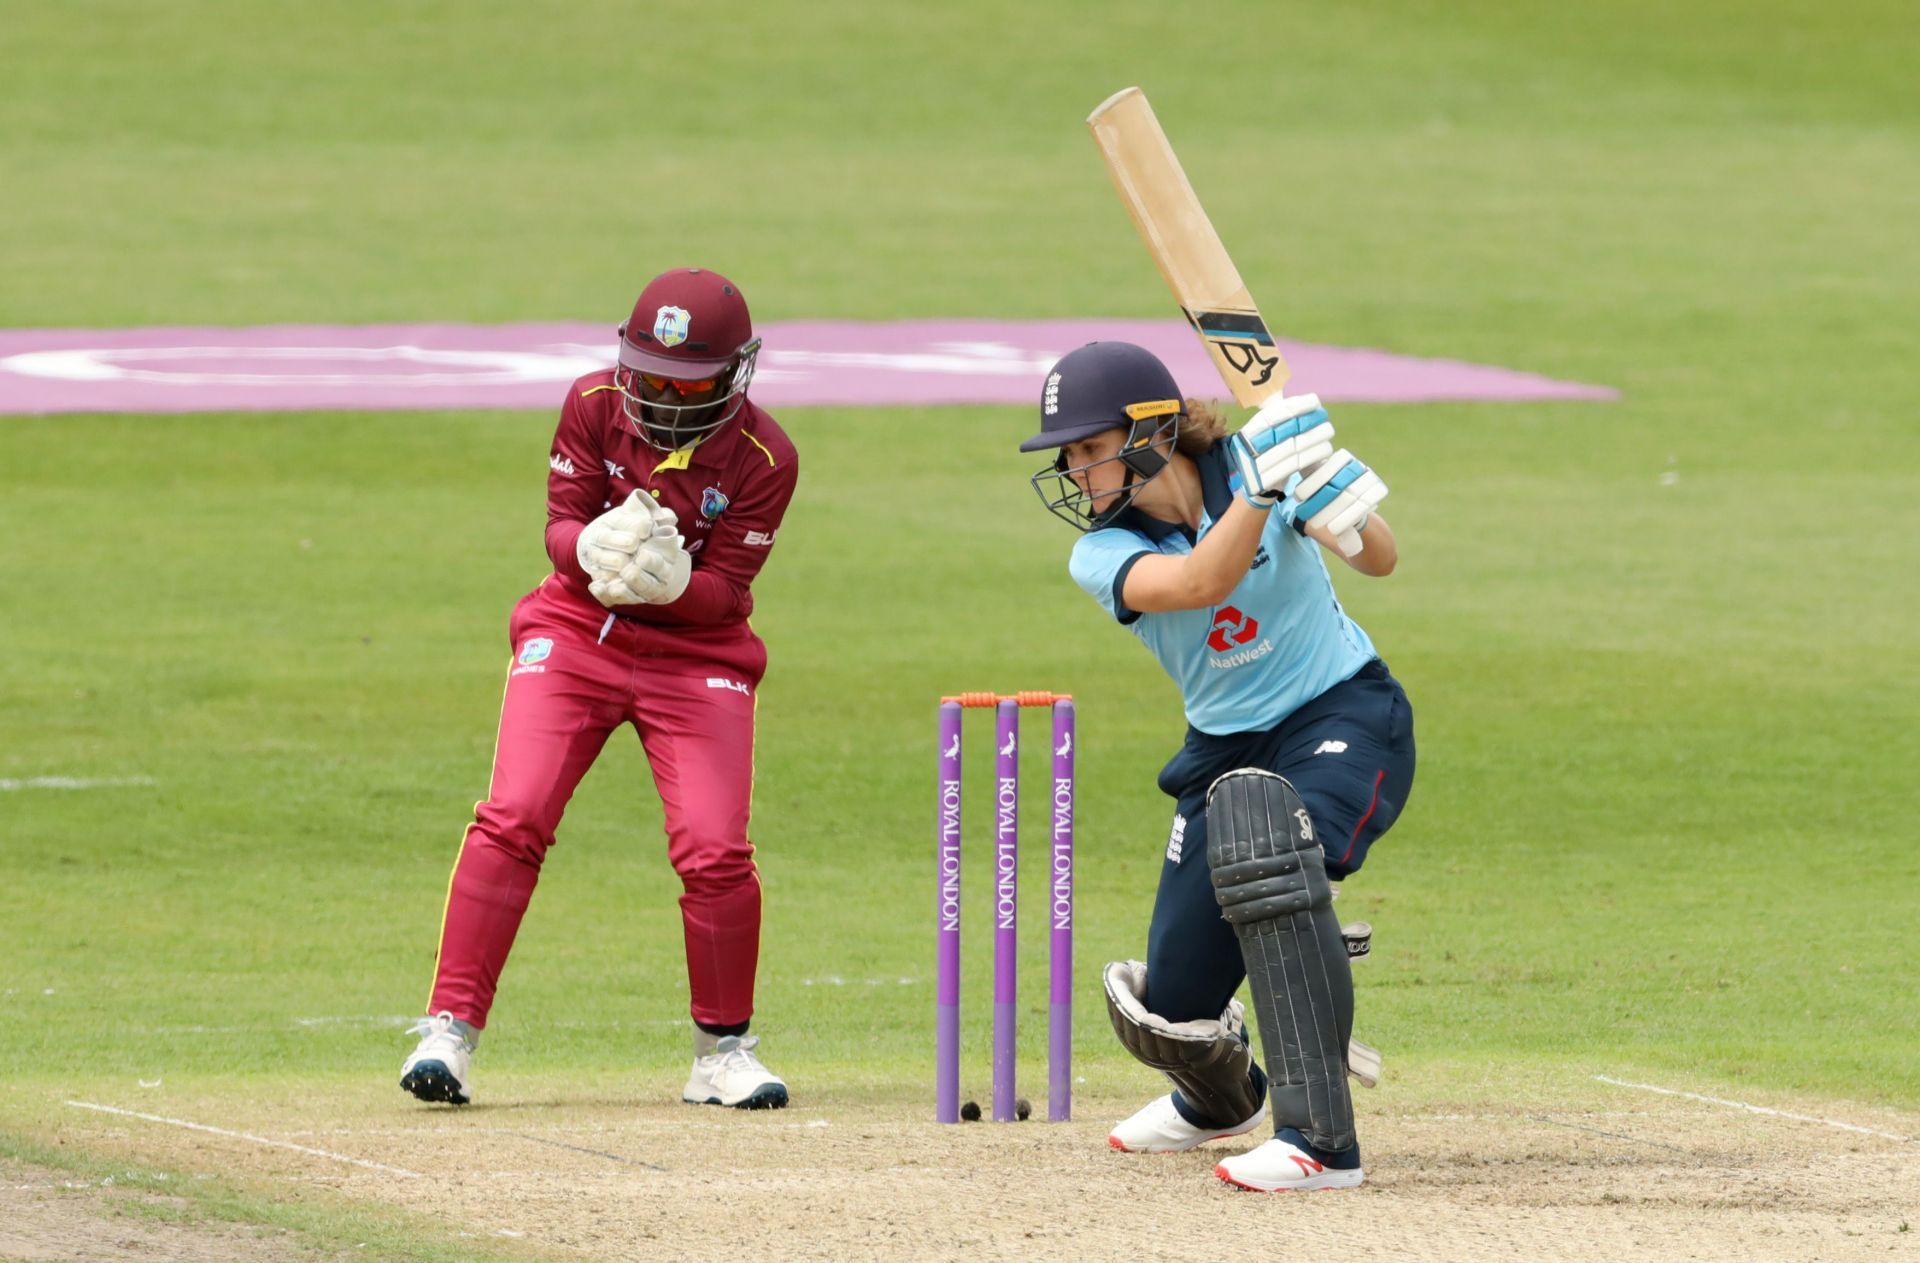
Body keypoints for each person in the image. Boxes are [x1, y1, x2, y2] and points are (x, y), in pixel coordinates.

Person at [400, 267, 799, 1111]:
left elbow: (727, 592)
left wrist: (669, 584)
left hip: (698, 657)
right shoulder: (591, 401)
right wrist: (589, 550)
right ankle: (448, 1033)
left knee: (715, 849)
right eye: (647, 375)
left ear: (736, 373)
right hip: (577, 634)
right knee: (514, 816)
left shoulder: (768, 458)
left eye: (684, 384)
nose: (659, 396)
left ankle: (722, 1053)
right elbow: (559, 520)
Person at [1020, 340, 1415, 1191]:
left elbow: (1380, 558)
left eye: (1091, 449)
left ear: (1153, 431)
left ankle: (1320, 1141)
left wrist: (1331, 482)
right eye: (1070, 456)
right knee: (1171, 1008)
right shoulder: (1101, 553)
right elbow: (1202, 579)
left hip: (1341, 712)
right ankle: (1223, 1101)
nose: (1077, 471)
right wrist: (1270, 488)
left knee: (1274, 857)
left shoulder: (1255, 459)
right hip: (1223, 749)